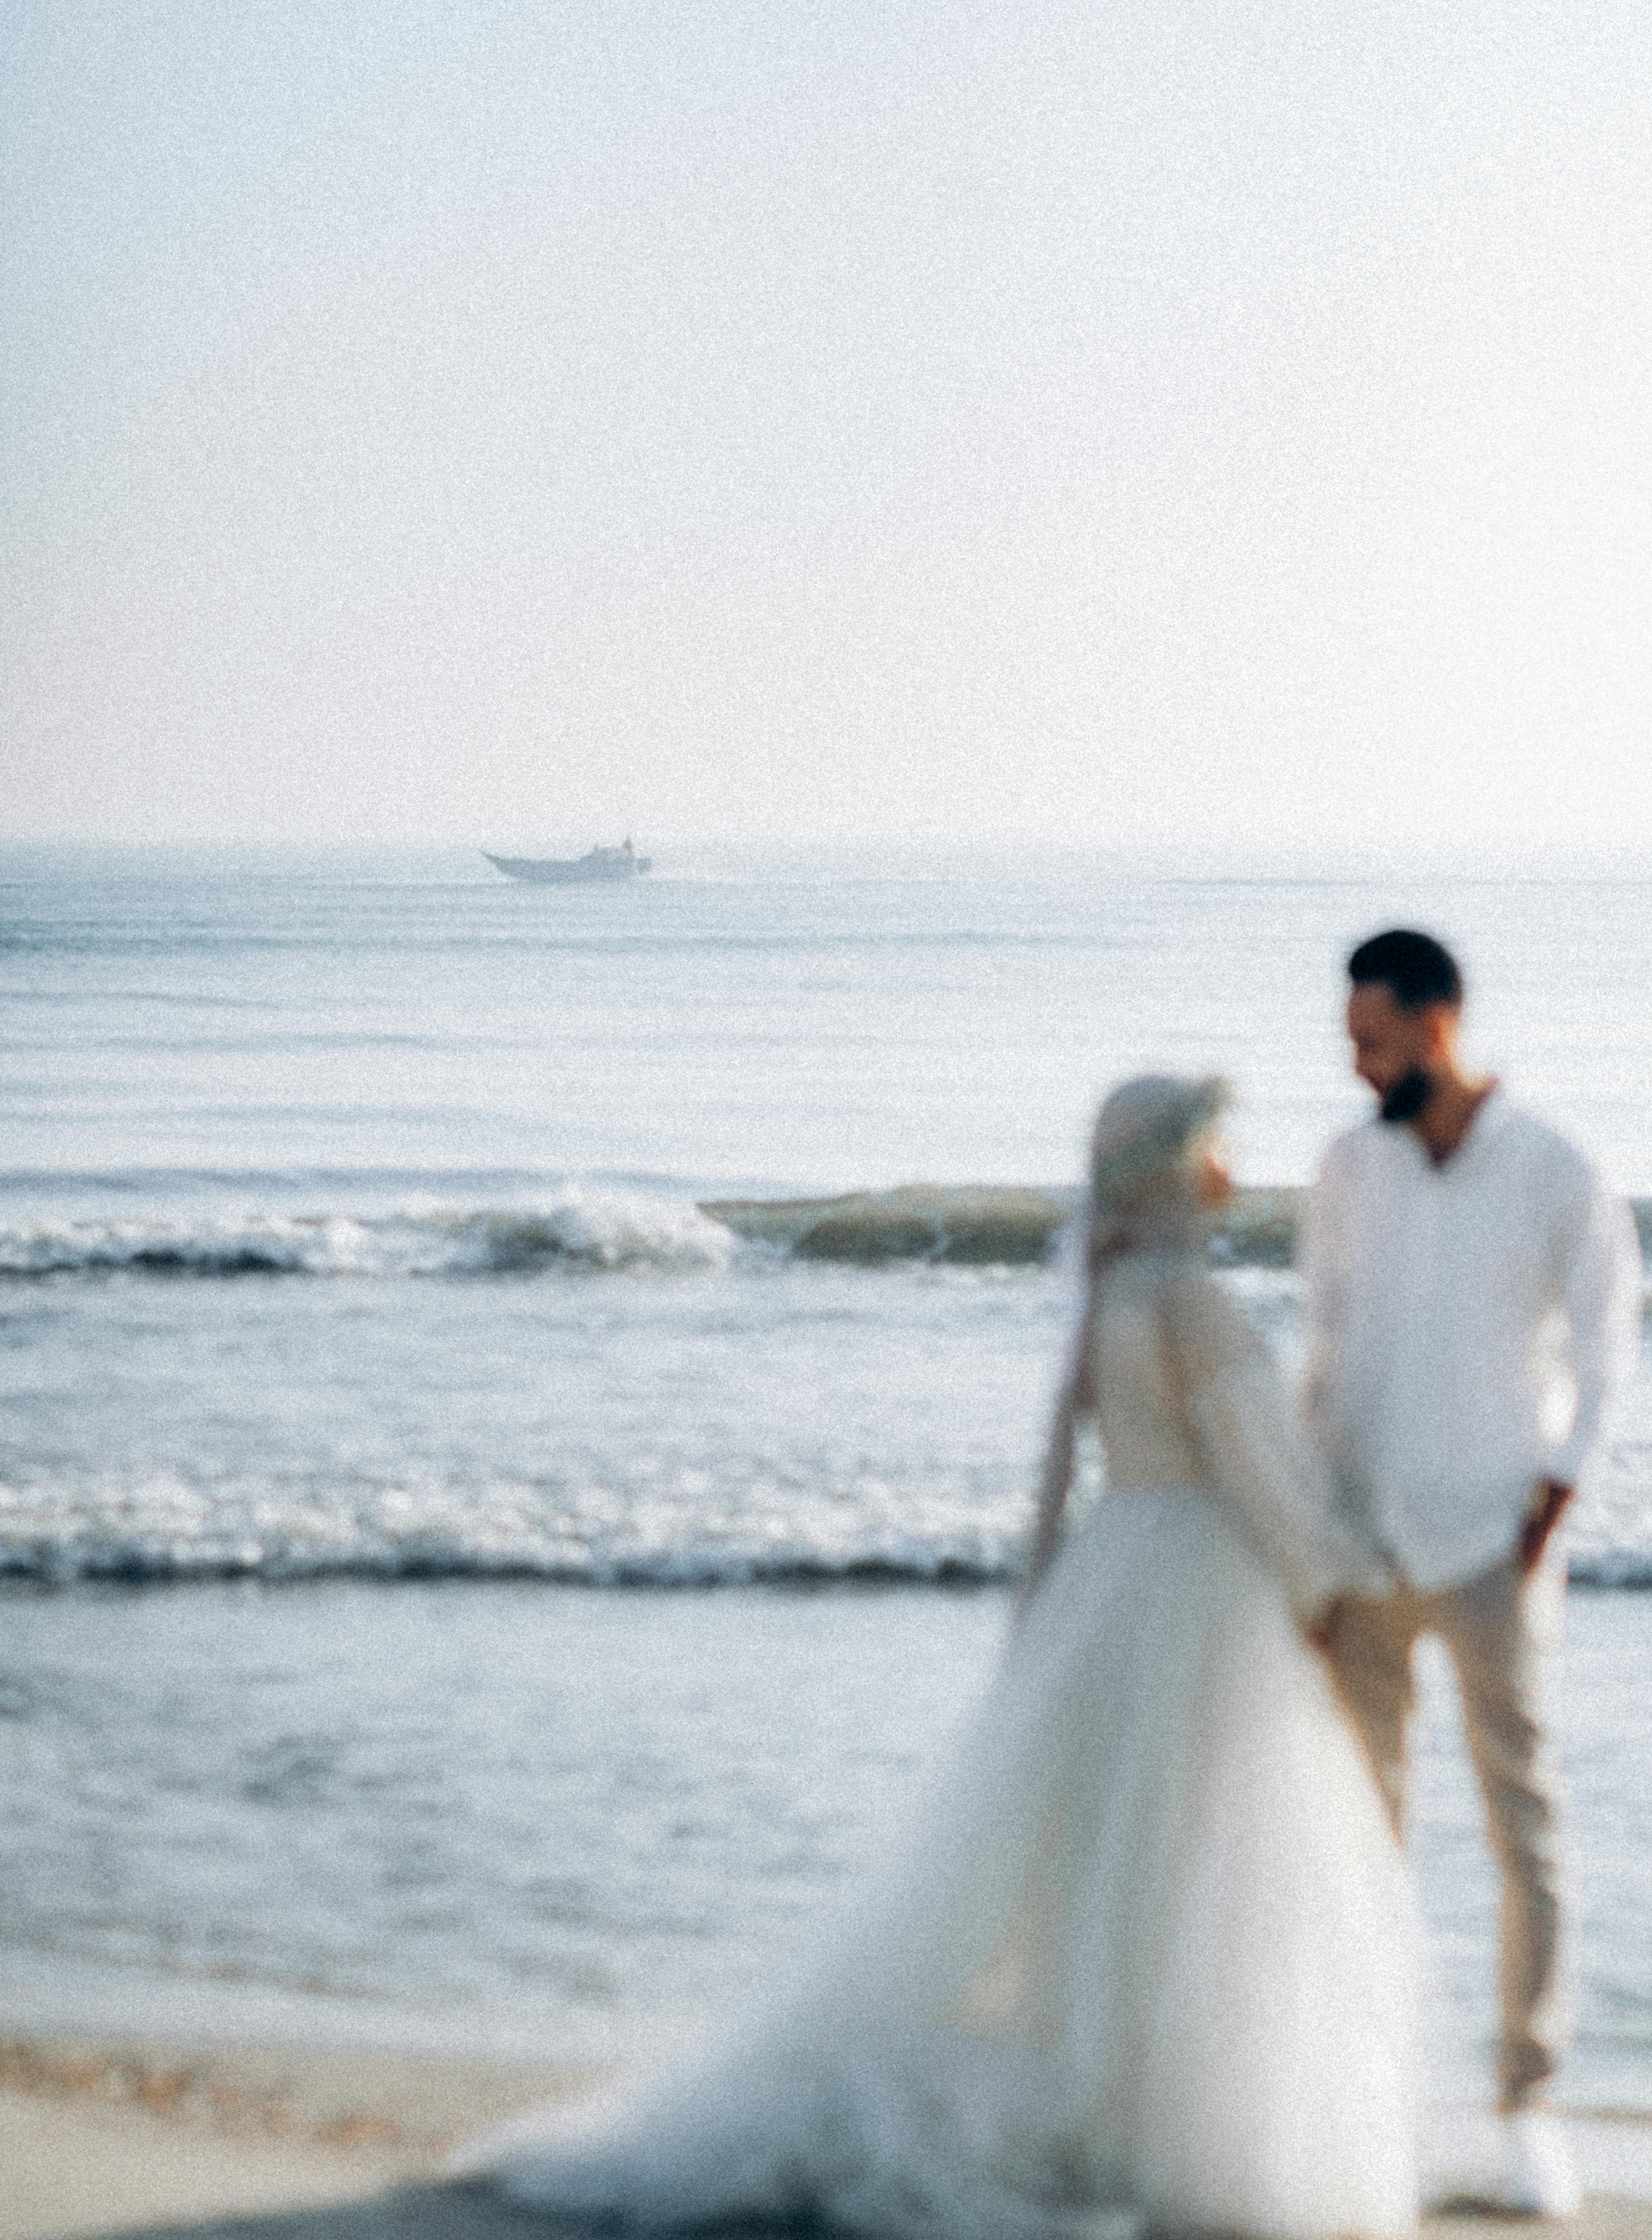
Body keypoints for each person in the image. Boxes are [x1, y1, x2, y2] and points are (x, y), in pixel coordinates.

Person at [455, 1075, 1416, 2240]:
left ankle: (1112, 2094)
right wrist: (1349, 1574)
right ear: (1181, 1163)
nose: (1234, 1166)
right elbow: (1258, 1472)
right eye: (1221, 1144)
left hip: (1118, 1571)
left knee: (1115, 1853)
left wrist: (1040, 1616)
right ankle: (1157, 2113)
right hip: (1199, 1588)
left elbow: (1058, 1477)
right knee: (1193, 1857)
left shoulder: (1114, 1290)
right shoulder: (1194, 1303)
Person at [1304, 929, 1641, 2218]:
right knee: (1361, 1826)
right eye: (1349, 1036)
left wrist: (1553, 1497)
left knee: (1524, 1819)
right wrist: (1307, 1534)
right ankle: (1368, 2091)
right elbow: (1325, 1349)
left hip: (1498, 1541)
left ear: (1439, 1024)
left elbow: (1609, 1344)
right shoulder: (1347, 1164)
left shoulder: (1553, 1166)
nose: (1353, 1059)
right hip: (1361, 1539)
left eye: (1370, 1036)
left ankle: (1527, 2106)